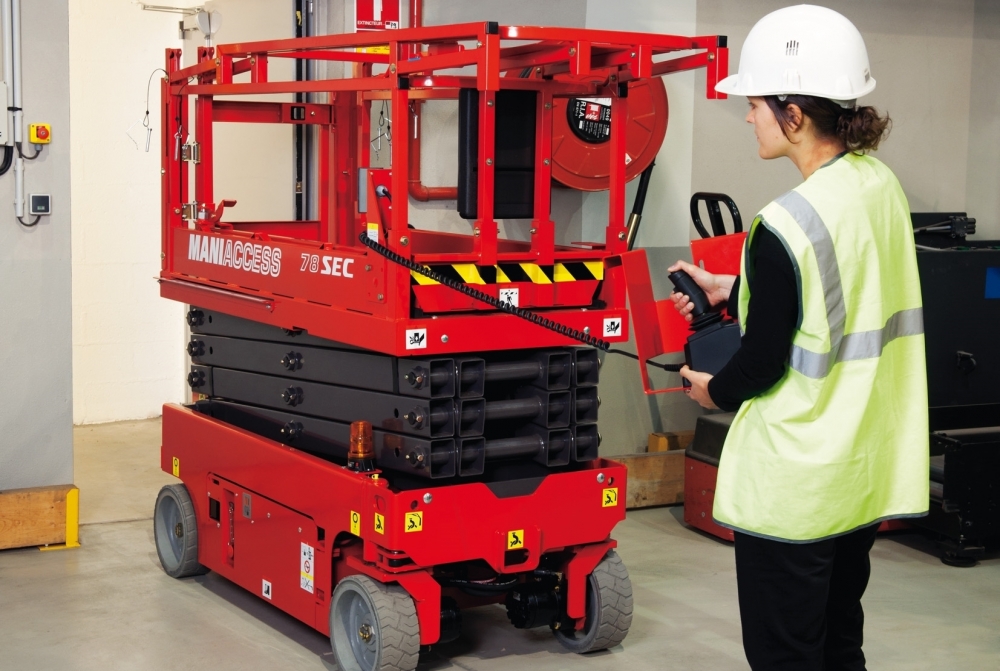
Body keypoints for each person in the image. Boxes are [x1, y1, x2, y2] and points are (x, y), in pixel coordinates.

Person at [669, 6, 929, 671]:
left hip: (797, 485)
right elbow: (844, 288)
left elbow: (759, 363)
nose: (748, 116)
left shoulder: (783, 223)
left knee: (785, 655)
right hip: (861, 470)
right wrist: (737, 287)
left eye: (754, 104)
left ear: (793, 113)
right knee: (840, 643)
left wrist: (710, 389)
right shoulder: (879, 185)